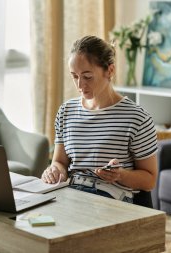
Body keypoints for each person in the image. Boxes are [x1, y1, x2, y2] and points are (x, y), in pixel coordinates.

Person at [41, 35, 158, 203]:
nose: (80, 85)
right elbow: (60, 162)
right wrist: (54, 170)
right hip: (73, 198)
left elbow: (149, 180)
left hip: (113, 204)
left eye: (87, 76)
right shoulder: (66, 111)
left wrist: (120, 175)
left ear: (110, 70)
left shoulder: (137, 119)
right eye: (74, 76)